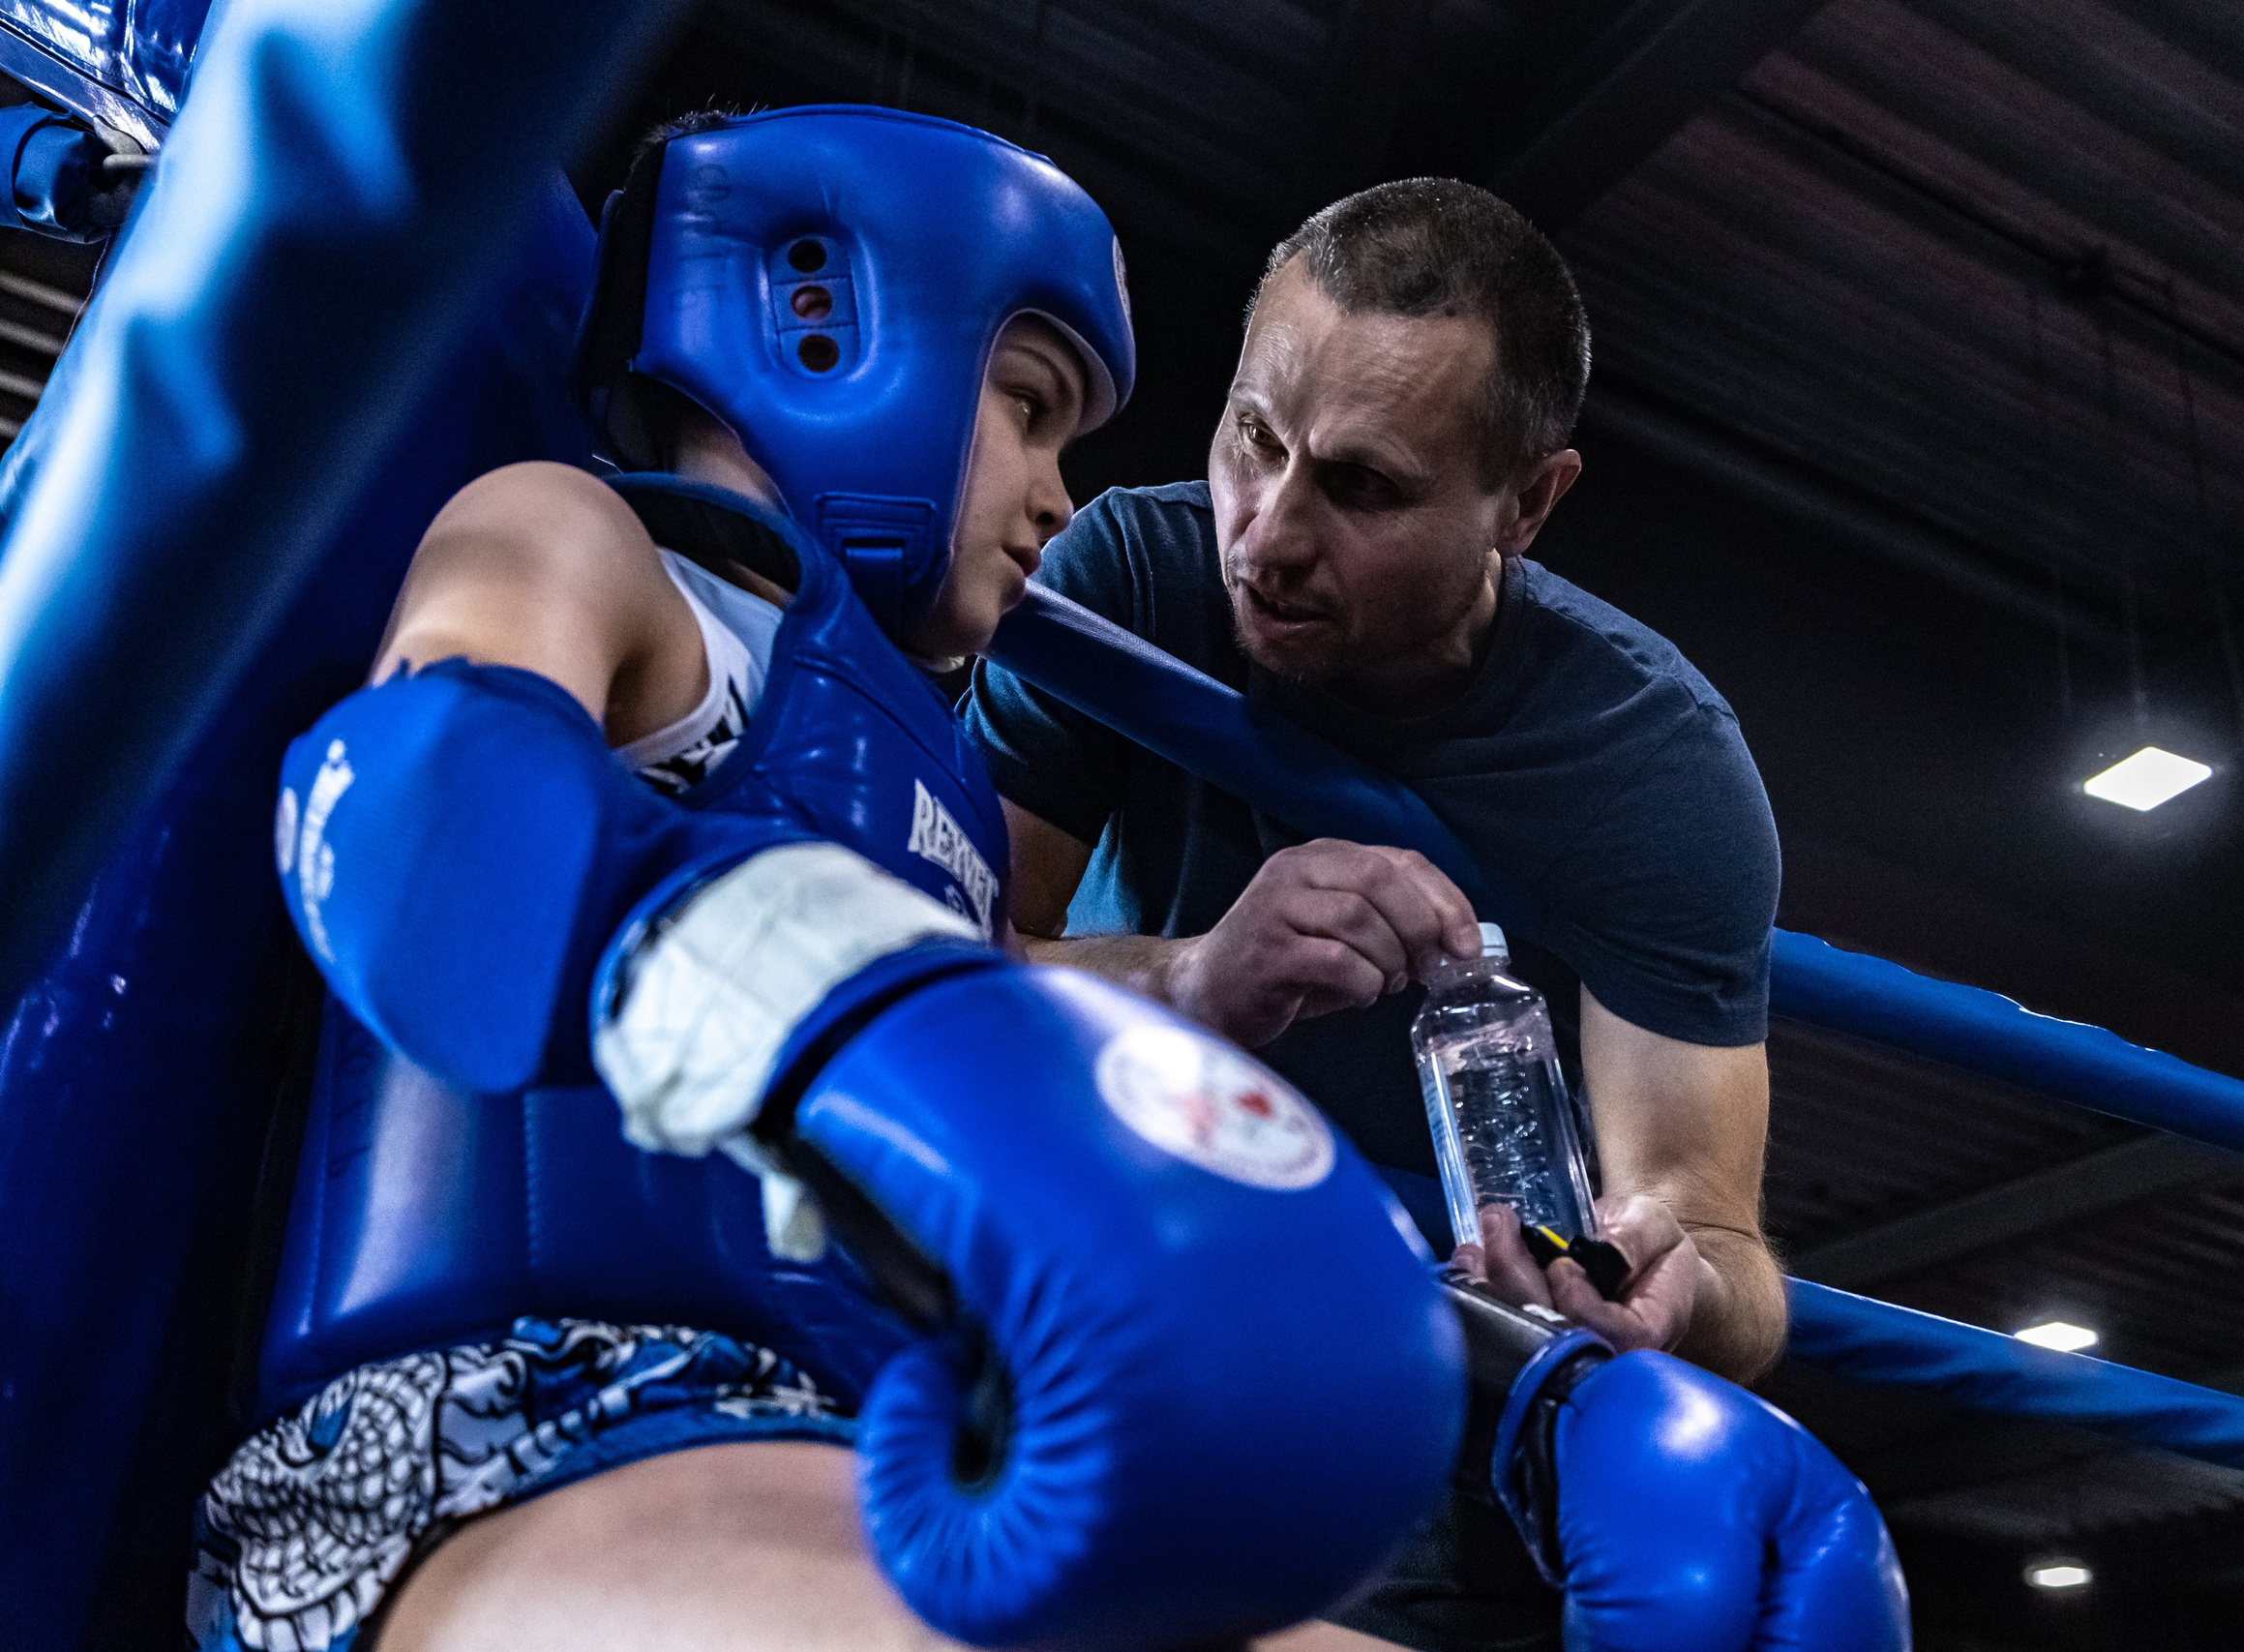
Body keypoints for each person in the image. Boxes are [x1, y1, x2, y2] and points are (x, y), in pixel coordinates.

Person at [191, 107, 1460, 1652]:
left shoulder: (933, 790)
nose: (1062, 498)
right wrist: (784, 982)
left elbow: (955, 1013)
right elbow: (419, 798)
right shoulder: (597, 545)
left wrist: (1192, 986)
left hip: (867, 1452)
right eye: (1030, 407)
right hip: (492, 1431)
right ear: (823, 322)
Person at [965, 177, 1787, 1648]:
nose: (1267, 534)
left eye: (1362, 488)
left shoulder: (1650, 762)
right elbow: (935, 965)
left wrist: (1662, 1284)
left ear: (1525, 505)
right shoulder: (1124, 584)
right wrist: (1193, 976)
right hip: (1078, 1262)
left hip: (1407, 1361)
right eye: (1254, 440)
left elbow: (1723, 1242)